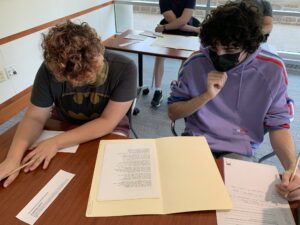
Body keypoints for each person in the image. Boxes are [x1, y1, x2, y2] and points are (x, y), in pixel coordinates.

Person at [167, 1, 299, 200]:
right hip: (194, 144)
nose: (219, 56)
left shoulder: (272, 70)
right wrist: (205, 96)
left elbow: (278, 125)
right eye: (213, 48)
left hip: (239, 150)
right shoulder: (195, 62)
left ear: (250, 46)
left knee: (234, 205)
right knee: (179, 200)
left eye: (229, 50)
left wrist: (291, 167)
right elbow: (173, 112)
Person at [0, 21, 137, 188]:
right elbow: (35, 116)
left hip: (109, 127)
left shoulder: (125, 69)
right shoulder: (49, 69)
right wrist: (12, 158)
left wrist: (56, 142)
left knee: (103, 180)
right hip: (65, 124)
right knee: (45, 178)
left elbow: (107, 122)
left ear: (99, 53)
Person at [149, 0, 201, 108]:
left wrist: (163, 27)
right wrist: (196, 29)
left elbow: (183, 21)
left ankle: (178, 91)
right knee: (159, 57)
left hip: (186, 30)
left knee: (185, 60)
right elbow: (178, 23)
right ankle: (158, 90)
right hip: (170, 29)